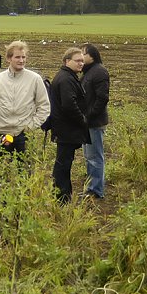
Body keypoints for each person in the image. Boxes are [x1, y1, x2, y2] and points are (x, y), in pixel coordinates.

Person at [0, 40, 50, 154]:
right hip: (2, 135)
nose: (21, 60)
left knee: (24, 170)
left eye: (23, 57)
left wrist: (30, 127)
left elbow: (44, 107)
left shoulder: (35, 79)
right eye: (17, 57)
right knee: (2, 170)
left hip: (24, 136)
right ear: (9, 59)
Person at [49, 47, 90, 204]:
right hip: (66, 130)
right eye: (77, 60)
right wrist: (83, 120)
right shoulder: (66, 79)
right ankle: (61, 199)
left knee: (64, 163)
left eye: (82, 61)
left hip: (66, 130)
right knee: (63, 164)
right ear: (67, 61)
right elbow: (69, 105)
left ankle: (63, 195)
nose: (81, 63)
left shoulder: (68, 76)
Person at [80, 43, 109, 199]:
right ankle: (91, 188)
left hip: (94, 123)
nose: (81, 57)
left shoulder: (99, 72)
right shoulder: (88, 72)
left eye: (83, 53)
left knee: (95, 158)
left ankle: (96, 191)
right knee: (89, 157)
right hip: (88, 123)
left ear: (92, 55)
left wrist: (89, 115)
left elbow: (102, 98)